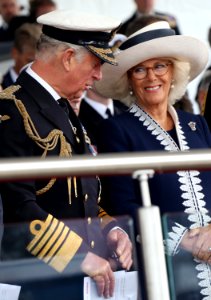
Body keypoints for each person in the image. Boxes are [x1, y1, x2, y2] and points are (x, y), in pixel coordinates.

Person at [0, 9, 133, 300]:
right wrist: (77, 256)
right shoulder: (12, 109)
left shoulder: (60, 107)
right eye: (96, 64)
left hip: (77, 284)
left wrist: (110, 229)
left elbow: (79, 198)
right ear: (69, 57)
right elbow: (16, 206)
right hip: (38, 283)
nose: (98, 75)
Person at [94, 21, 211, 298]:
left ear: (173, 72)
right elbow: (122, 203)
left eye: (160, 66)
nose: (151, 77)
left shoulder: (198, 125)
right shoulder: (117, 130)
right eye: (140, 70)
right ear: (128, 79)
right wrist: (183, 240)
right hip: (165, 267)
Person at [1, 22, 41, 89]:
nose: (36, 68)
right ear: (15, 53)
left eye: (40, 62)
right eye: (30, 61)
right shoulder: (2, 88)